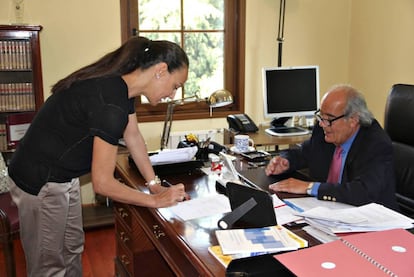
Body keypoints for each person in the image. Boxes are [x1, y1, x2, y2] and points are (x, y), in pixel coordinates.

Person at [8, 36, 190, 276]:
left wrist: (153, 185)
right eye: (175, 86)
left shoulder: (122, 89)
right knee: (50, 267)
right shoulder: (110, 102)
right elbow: (103, 183)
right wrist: (155, 201)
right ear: (160, 70)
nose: (172, 95)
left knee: (72, 248)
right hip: (41, 180)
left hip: (63, 175)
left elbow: (133, 136)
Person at [265, 84, 399, 210]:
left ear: (353, 120)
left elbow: (363, 192)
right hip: (329, 212)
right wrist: (286, 161)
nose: (322, 124)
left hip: (372, 220)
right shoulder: (325, 128)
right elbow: (305, 152)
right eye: (320, 116)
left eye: (328, 119)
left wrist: (310, 187)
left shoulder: (376, 144)